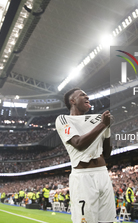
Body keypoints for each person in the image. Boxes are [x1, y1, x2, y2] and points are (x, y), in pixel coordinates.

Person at [55, 88, 116, 223]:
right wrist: (102, 125)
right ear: (73, 101)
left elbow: (107, 153)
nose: (87, 97)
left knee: (108, 220)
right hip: (83, 178)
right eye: (82, 95)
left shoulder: (98, 119)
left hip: (103, 173)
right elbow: (78, 143)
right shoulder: (63, 119)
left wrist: (108, 129)